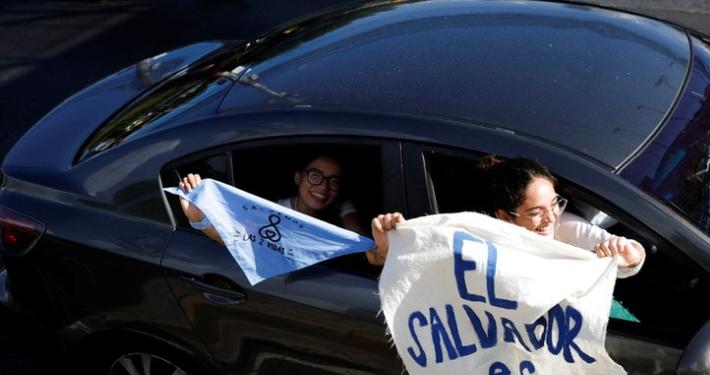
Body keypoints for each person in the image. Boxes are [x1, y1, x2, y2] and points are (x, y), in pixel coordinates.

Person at [367, 156, 645, 277]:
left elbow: (628, 254)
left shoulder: (564, 225)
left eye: (555, 204)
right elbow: (426, 258)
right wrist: (386, 248)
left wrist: (628, 254)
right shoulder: (480, 239)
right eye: (536, 213)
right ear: (504, 216)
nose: (550, 218)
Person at [178, 154, 365, 244]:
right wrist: (198, 219)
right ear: (298, 178)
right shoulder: (273, 214)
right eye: (315, 176)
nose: (323, 186)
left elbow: (361, 241)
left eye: (333, 181)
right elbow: (238, 241)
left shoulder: (341, 206)